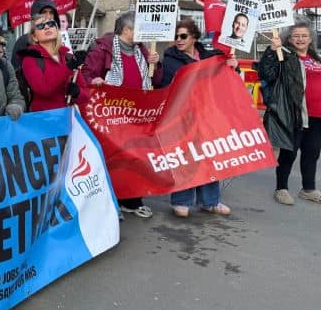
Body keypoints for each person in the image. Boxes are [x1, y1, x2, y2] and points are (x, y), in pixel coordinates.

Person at [82, 11, 161, 218]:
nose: (143, 34)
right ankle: (112, 202)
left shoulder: (142, 51)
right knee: (113, 158)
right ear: (127, 30)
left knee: (135, 157)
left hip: (136, 115)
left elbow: (155, 80)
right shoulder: (102, 49)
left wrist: (155, 63)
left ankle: (132, 201)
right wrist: (94, 82)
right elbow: (86, 75)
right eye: (139, 29)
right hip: (112, 115)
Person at [160, 19, 238, 217]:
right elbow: (165, 84)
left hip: (208, 113)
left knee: (209, 155)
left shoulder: (208, 55)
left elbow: (224, 74)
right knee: (186, 156)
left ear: (194, 37)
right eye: (176, 36)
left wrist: (232, 65)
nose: (178, 40)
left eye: (183, 36)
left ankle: (210, 201)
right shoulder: (170, 58)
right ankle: (181, 201)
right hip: (183, 114)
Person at [257, 21, 321, 206]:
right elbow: (266, 73)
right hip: (295, 113)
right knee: (289, 152)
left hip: (317, 115)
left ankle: (308, 189)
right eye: (296, 36)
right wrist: (271, 51)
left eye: (304, 36)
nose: (300, 39)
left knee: (312, 152)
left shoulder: (316, 59)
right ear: (289, 39)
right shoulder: (284, 56)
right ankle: (281, 189)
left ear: (310, 39)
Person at [18, 14, 86, 111]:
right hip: (44, 120)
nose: (47, 27)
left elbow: (86, 96)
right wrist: (68, 68)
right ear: (34, 37)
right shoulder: (30, 59)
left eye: (51, 23)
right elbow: (43, 89)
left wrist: (77, 93)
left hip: (66, 119)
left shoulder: (68, 57)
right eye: (40, 26)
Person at [11, 0, 59, 71]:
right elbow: (16, 73)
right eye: (44, 12)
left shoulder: (57, 40)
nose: (48, 16)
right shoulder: (24, 41)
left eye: (51, 12)